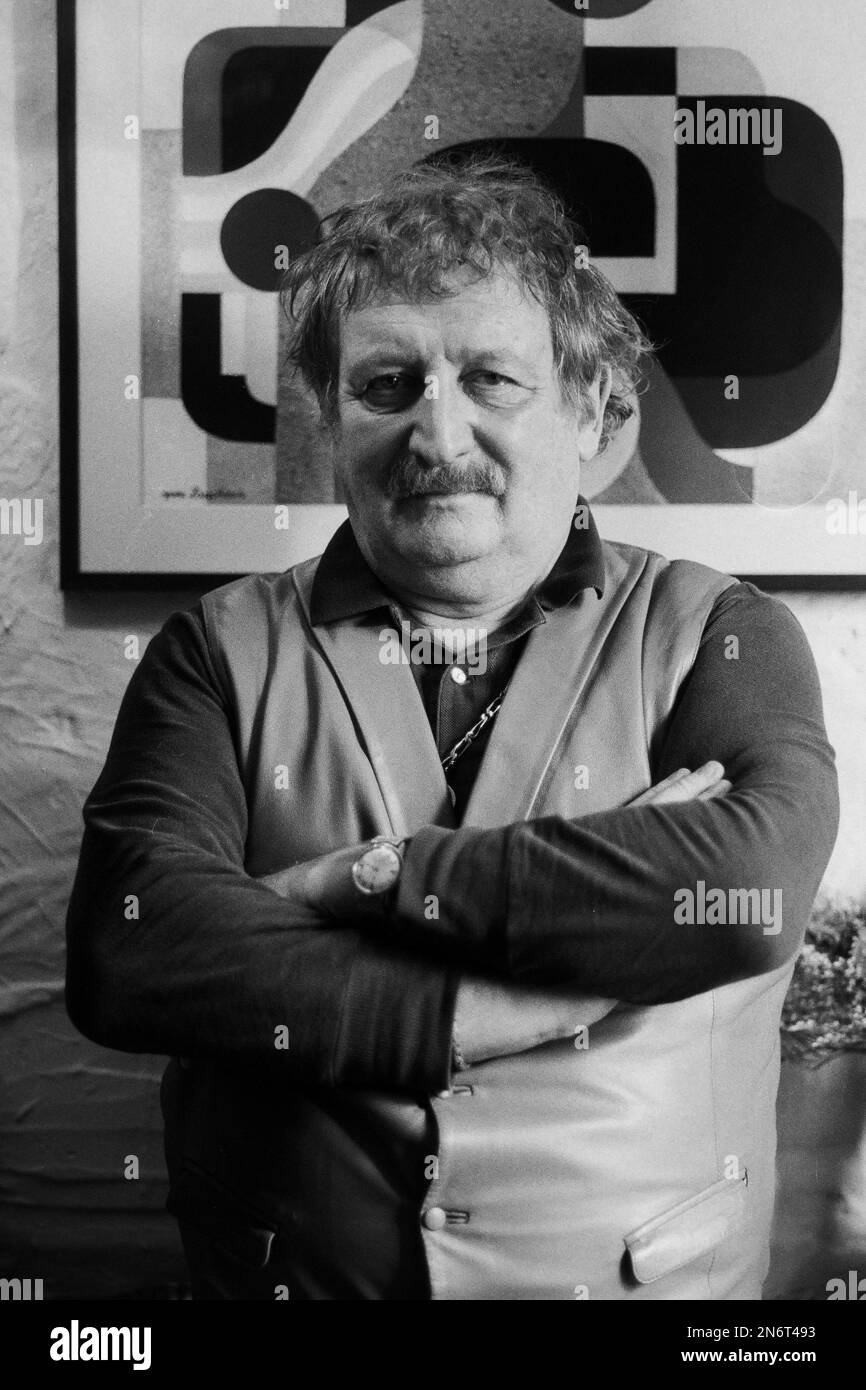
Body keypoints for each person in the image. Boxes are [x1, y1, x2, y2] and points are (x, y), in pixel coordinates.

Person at [65, 154, 838, 1301]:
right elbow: (134, 954)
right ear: (331, 418)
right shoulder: (213, 652)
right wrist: (532, 989)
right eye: (386, 385)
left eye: (488, 378)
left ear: (590, 413)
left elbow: (748, 894)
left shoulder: (719, 635)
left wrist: (356, 881)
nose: (435, 432)